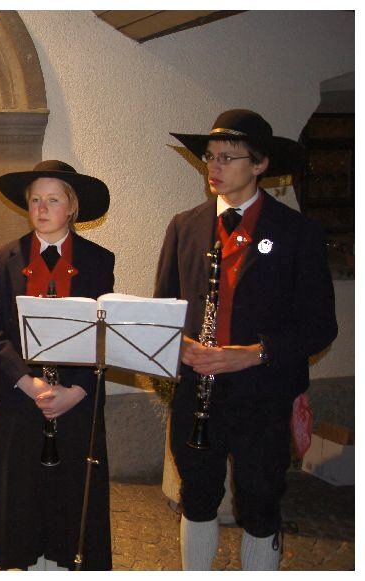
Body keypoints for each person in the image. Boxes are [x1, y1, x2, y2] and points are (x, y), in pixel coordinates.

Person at [157, 109, 337, 570]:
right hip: (198, 391)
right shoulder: (184, 226)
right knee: (197, 496)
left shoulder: (297, 233)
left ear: (259, 164)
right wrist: (179, 346)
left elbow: (320, 325)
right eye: (209, 157)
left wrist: (255, 354)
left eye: (227, 157)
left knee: (259, 501)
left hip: (263, 394)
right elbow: (164, 312)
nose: (213, 167)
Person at [0, 160, 115, 571]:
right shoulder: (4, 258)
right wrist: (26, 382)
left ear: (72, 207)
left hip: (75, 402)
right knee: (22, 499)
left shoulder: (98, 260)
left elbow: (104, 333)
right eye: (35, 199)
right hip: (22, 401)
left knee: (70, 500)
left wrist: (77, 390)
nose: (41, 208)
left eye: (53, 200)